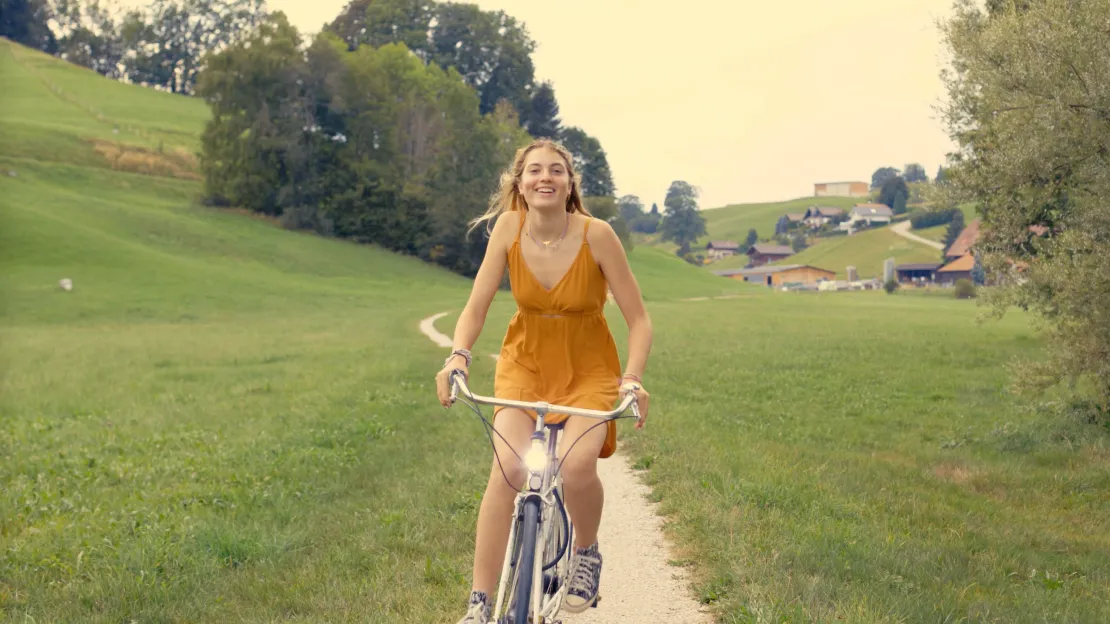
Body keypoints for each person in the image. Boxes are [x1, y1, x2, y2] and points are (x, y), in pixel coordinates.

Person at [435, 138, 653, 624]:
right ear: (520, 183)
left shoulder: (597, 235)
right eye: (534, 170)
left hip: (589, 368)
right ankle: (479, 604)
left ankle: (587, 554)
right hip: (525, 361)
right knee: (509, 472)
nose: (545, 177)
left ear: (570, 183)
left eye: (556, 170)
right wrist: (457, 357)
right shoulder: (509, 229)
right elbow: (476, 305)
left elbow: (639, 320)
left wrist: (632, 379)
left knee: (576, 468)